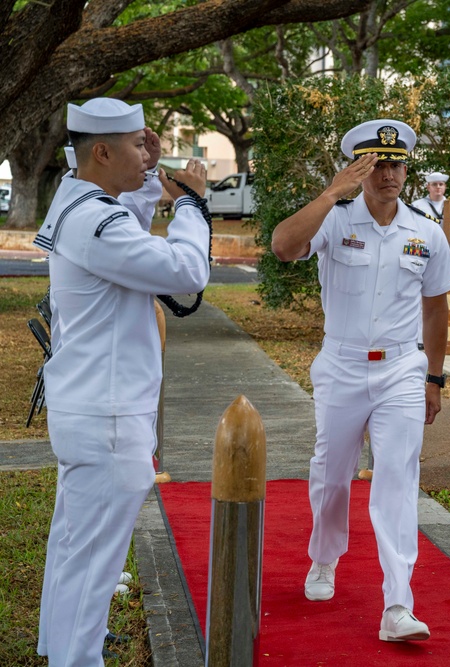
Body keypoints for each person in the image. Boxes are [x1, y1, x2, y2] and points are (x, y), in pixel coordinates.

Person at [34, 98, 210, 666]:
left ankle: (62, 649)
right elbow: (186, 273)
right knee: (94, 559)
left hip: (91, 403)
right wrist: (191, 208)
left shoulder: (80, 199)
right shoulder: (95, 220)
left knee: (76, 548)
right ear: (102, 151)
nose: (149, 154)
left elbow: (125, 219)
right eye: (138, 145)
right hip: (108, 412)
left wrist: (149, 174)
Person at [271, 119, 450, 642]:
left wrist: (435, 377)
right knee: (332, 475)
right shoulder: (335, 218)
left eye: (397, 164)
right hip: (343, 365)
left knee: (397, 480)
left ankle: (398, 603)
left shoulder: (425, 230)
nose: (389, 174)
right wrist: (332, 192)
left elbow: (436, 308)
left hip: (401, 368)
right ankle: (324, 558)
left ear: (407, 170)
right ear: (359, 168)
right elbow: (283, 246)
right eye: (376, 165)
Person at [412, 171, 450, 249]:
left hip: (448, 249)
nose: (438, 187)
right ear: (428, 187)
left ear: (445, 186)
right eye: (434, 184)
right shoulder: (417, 206)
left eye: (441, 184)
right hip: (424, 249)